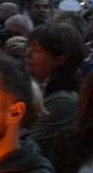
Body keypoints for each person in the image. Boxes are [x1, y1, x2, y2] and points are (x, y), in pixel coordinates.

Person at [26, 22, 85, 157]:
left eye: (36, 50)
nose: (27, 54)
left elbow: (28, 145)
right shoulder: (37, 87)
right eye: (29, 48)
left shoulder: (63, 101)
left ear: (60, 59)